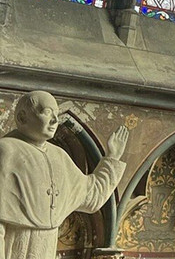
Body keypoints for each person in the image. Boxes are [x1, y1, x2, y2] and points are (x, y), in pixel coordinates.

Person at [0, 91, 128, 259]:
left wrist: (112, 158)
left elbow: (92, 196)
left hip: (47, 245)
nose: (55, 120)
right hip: (14, 245)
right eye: (46, 112)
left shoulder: (59, 156)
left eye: (56, 114)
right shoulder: (6, 151)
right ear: (23, 117)